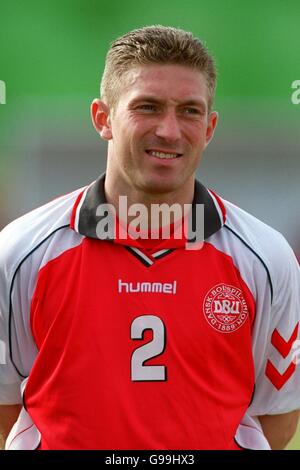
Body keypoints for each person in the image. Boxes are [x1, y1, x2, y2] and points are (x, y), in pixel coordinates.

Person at [0, 25, 299, 451]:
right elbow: (7, 404)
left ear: (210, 127)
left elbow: (278, 416)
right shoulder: (20, 251)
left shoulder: (266, 258)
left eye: (190, 111)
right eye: (148, 107)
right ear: (102, 119)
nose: (170, 131)